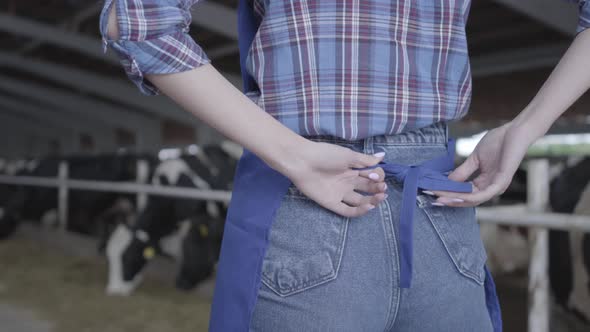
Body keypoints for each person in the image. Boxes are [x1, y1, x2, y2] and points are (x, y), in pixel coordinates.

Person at [99, 0, 590, 331]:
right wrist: (527, 126)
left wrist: (291, 153)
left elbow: (139, 21)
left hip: (310, 198)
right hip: (441, 216)